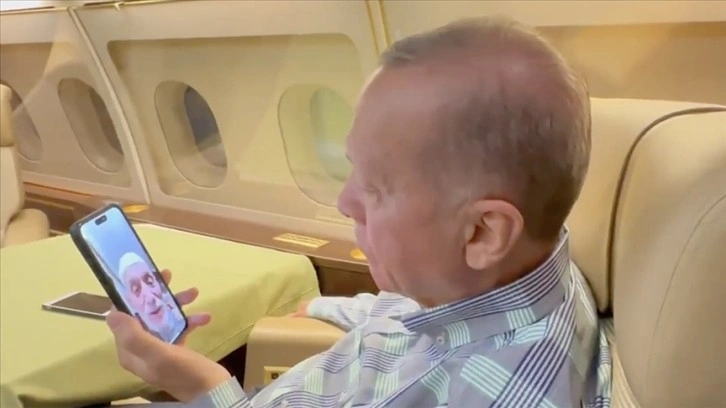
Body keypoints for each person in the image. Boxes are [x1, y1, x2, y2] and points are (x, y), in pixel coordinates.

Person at [106, 16, 612, 407]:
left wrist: (198, 384)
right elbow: (407, 313)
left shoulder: (494, 394)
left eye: (374, 188)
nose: (345, 201)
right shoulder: (490, 276)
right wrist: (326, 308)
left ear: (483, 232)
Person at [114, 252, 186, 343]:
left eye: (150, 281)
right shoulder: (137, 339)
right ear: (130, 301)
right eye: (136, 289)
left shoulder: (177, 317)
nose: (150, 298)